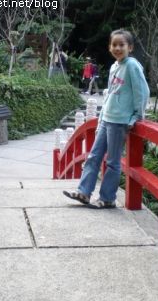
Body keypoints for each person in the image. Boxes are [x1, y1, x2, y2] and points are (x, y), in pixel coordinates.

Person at [63, 29, 150, 209]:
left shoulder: (132, 65)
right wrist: (101, 116)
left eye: (121, 45)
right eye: (114, 45)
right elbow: (110, 94)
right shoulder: (114, 67)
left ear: (130, 47)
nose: (117, 48)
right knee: (93, 156)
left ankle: (108, 198)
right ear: (109, 47)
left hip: (120, 121)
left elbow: (142, 91)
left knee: (112, 161)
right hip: (107, 119)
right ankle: (84, 192)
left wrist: (137, 116)